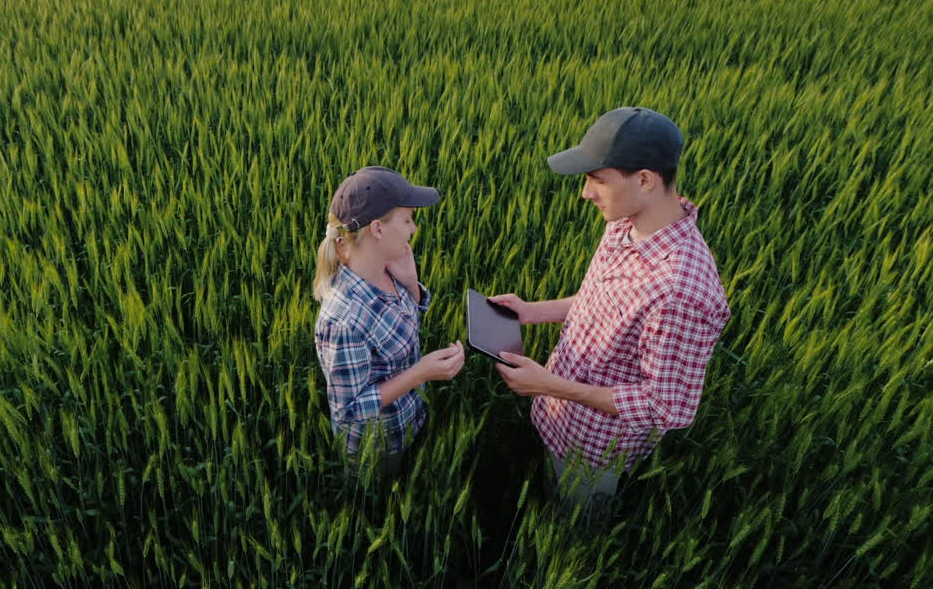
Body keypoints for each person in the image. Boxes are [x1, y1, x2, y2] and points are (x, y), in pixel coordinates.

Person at [490, 107, 730, 520]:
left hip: (595, 448)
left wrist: (553, 385)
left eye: (597, 180)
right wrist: (530, 312)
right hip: (560, 417)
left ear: (644, 180)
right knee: (550, 491)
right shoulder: (625, 223)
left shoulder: (681, 294)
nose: (585, 192)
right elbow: (597, 300)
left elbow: (664, 406)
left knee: (574, 525)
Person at [313, 166, 465, 482]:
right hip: (377, 444)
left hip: (407, 419)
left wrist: (410, 283)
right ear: (378, 230)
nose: (414, 228)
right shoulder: (343, 321)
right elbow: (349, 411)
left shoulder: (385, 271)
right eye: (407, 219)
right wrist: (421, 373)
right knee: (378, 502)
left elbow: (403, 325)